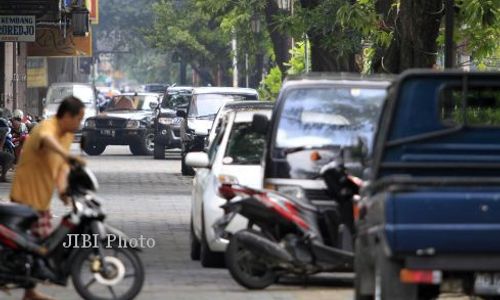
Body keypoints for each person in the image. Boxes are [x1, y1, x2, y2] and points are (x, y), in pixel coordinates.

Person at [10, 96, 85, 300]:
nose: (79, 123)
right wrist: (66, 155)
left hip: (42, 197)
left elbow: (60, 167)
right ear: (67, 116)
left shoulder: (67, 135)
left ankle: (29, 291)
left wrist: (63, 191)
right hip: (26, 194)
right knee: (39, 244)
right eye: (78, 118)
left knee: (35, 244)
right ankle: (28, 289)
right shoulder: (47, 127)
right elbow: (47, 141)